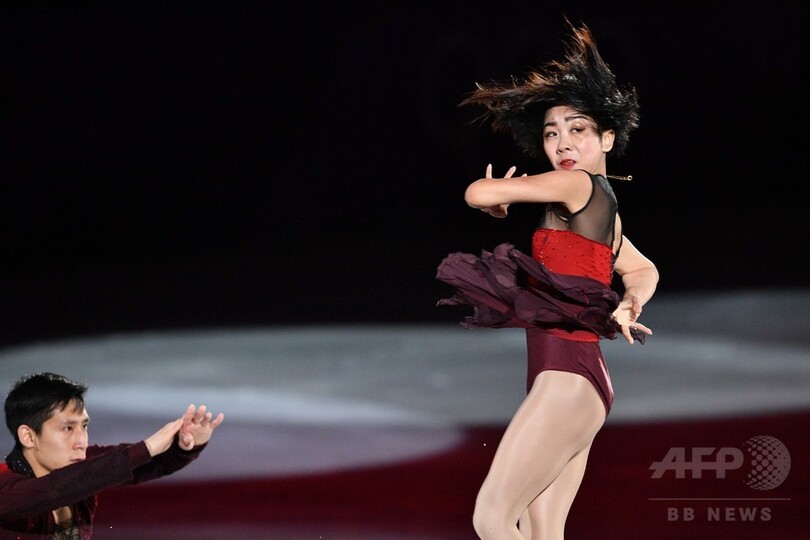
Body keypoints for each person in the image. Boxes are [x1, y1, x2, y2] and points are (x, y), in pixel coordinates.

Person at [436, 21, 659, 539]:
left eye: (576, 129)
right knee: (543, 534)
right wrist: (631, 303)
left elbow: (475, 194)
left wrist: (499, 195)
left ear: (607, 137)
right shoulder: (604, 207)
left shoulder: (577, 183)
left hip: (566, 380)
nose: (562, 141)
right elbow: (642, 268)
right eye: (551, 132)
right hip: (583, 382)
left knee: (492, 518)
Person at [0, 372, 224, 539]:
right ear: (28, 437)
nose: (81, 442)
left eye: (84, 427)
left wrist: (187, 445)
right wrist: (146, 447)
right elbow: (55, 489)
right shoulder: (4, 486)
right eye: (68, 428)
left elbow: (144, 465)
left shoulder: (84, 466)